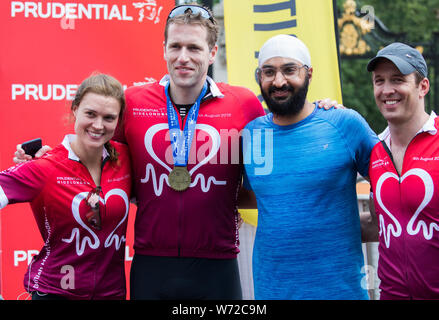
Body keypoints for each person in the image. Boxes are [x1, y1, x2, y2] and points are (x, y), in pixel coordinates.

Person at [241, 34, 379, 299]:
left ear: (309, 73)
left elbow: (389, 178)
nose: (279, 81)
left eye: (289, 70)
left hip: (340, 292)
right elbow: (247, 196)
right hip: (272, 292)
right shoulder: (250, 135)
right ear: (259, 77)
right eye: (269, 72)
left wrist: (371, 222)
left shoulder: (344, 123)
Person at [1, 73, 132, 300]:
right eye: (90, 114)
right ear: (74, 109)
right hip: (55, 292)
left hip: (112, 294)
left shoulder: (126, 159)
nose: (98, 125)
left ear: (119, 120)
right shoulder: (46, 166)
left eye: (109, 118)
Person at [366, 42, 439, 299]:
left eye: (397, 80)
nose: (387, 90)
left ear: (423, 87)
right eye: (379, 81)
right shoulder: (375, 150)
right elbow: (380, 222)